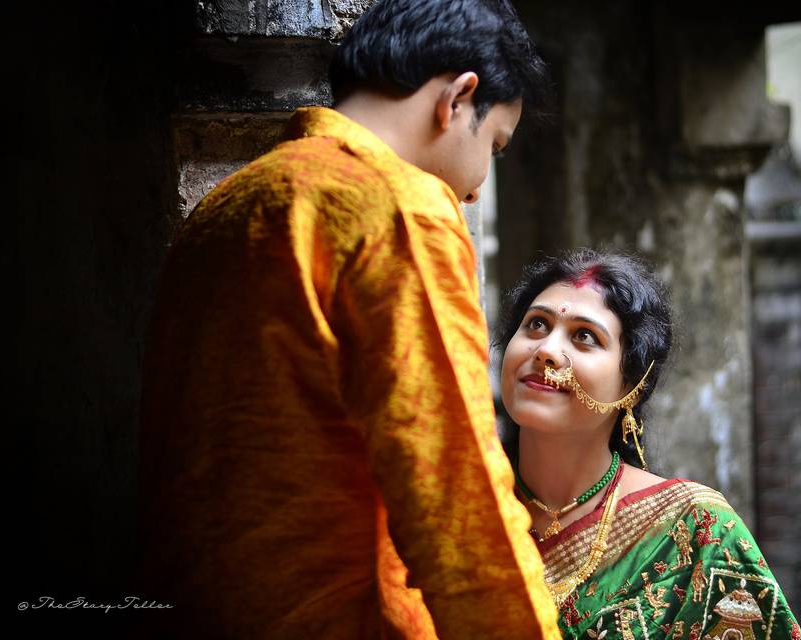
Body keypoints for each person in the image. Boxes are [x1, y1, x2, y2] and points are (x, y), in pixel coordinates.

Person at [135, 1, 559, 638]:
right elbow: (457, 498)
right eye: (494, 145)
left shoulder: (226, 208)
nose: (475, 189)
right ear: (458, 98)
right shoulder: (398, 207)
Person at [494, 249, 801, 639]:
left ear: (632, 385)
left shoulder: (697, 530)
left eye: (584, 336)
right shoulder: (458, 512)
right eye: (536, 325)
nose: (546, 351)